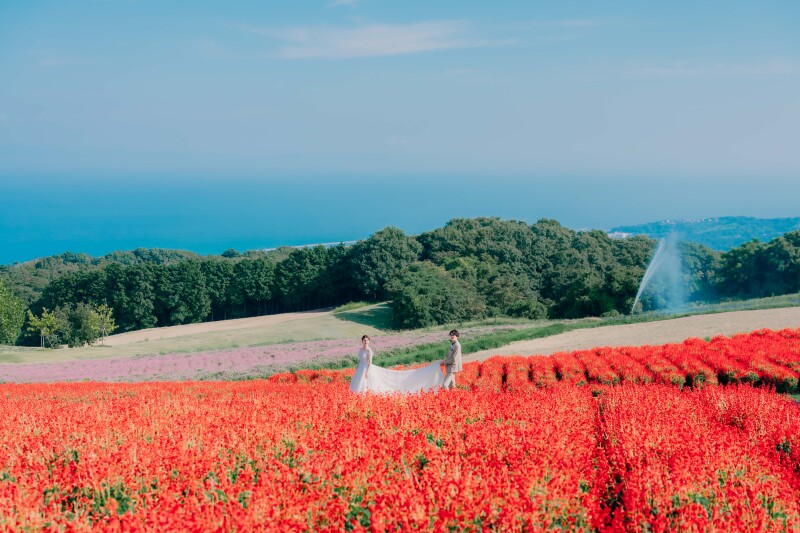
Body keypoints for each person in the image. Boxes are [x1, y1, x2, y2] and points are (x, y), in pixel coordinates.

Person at [350, 334, 444, 394]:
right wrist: (358, 366)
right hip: (360, 367)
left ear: (369, 341)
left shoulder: (369, 350)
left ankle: (365, 393)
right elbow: (360, 359)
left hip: (367, 368)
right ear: (362, 341)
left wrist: (367, 371)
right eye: (364, 340)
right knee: (358, 381)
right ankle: (358, 393)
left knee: (367, 382)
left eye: (367, 340)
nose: (365, 341)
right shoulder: (360, 350)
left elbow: (370, 362)